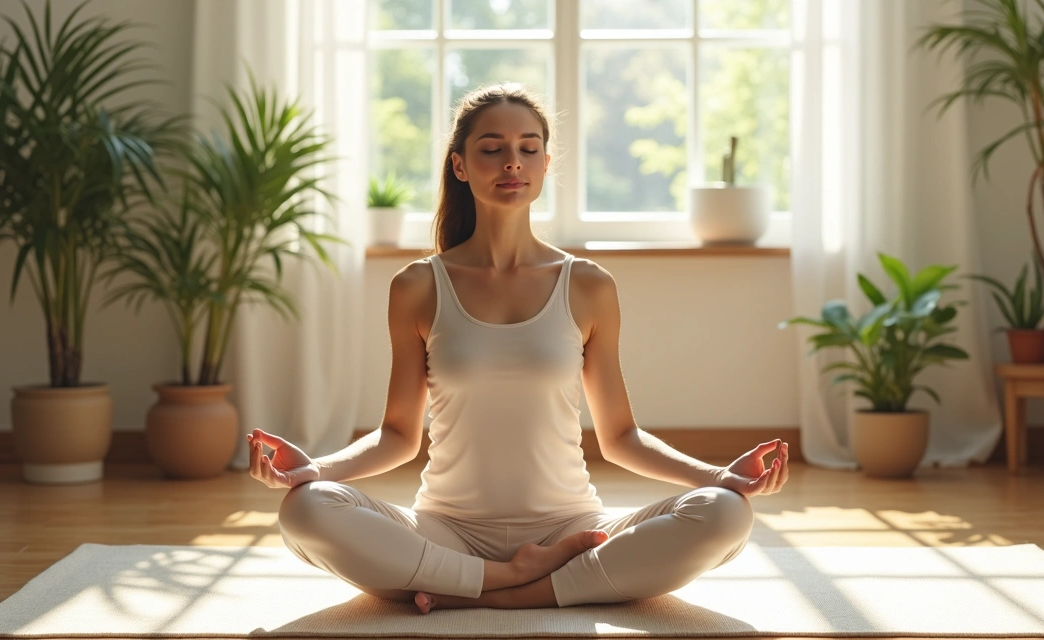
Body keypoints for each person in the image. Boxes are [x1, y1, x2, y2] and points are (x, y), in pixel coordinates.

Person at [245, 82, 790, 615]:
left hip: (572, 529)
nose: (513, 162)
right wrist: (314, 469)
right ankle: (519, 579)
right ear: (459, 165)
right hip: (446, 530)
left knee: (724, 514)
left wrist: (719, 477)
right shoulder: (417, 286)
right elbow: (397, 437)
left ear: (546, 165)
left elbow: (620, 437)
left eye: (529, 149)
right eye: (493, 149)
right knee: (306, 510)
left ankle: (487, 592)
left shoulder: (588, 284)